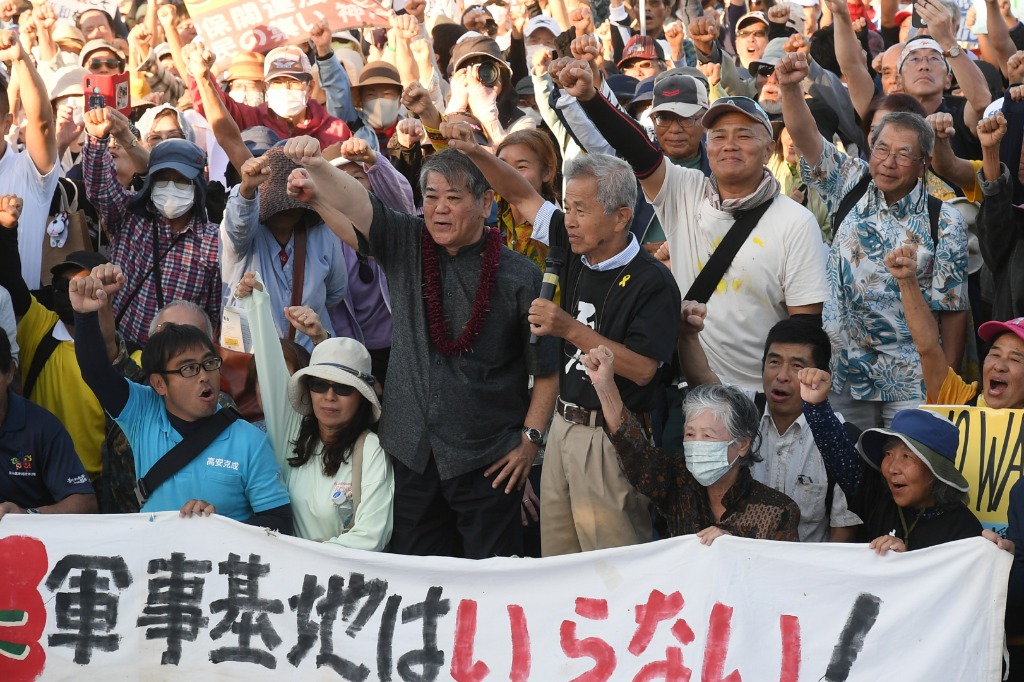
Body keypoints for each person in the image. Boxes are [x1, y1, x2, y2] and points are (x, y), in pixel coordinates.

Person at [281, 135, 559, 559]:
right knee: (417, 580)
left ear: (486, 204)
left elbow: (547, 371)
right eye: (430, 197)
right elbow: (358, 203)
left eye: (453, 197)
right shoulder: (409, 241)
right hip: (412, 454)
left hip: (486, 459)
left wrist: (529, 442)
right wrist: (319, 165)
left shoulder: (520, 275)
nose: (439, 208)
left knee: (490, 583)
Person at [445, 131, 681, 555]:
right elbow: (519, 193)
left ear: (621, 216)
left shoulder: (653, 281)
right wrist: (475, 152)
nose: (568, 220)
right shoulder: (571, 243)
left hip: (613, 437)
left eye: (581, 211)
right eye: (567, 208)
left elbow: (645, 368)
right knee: (557, 560)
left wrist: (569, 329)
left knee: (612, 566)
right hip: (563, 429)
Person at [564, 47, 827, 390]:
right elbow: (638, 149)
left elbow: (804, 328)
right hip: (692, 393)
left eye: (744, 135)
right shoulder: (684, 191)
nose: (729, 144)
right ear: (709, 145)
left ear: (768, 150)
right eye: (718, 136)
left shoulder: (796, 222)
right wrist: (590, 96)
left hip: (764, 396)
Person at [778, 50, 968, 427]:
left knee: (908, 473)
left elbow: (954, 309)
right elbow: (806, 136)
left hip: (912, 382)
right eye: (881, 148)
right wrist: (789, 87)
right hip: (842, 374)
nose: (888, 161)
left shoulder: (945, 220)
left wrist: (947, 390)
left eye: (903, 154)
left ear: (924, 163)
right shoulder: (849, 180)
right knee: (848, 473)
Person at [71, 268, 293, 530]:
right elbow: (96, 373)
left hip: (220, 567)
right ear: (159, 384)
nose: (204, 377)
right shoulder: (143, 412)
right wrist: (85, 316)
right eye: (188, 369)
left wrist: (220, 526)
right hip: (154, 565)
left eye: (209, 363)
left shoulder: (250, 442)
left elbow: (280, 522)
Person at [237, 271, 393, 550]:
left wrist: (305, 557)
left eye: (344, 388)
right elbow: (271, 372)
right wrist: (257, 301)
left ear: (361, 398)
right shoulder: (293, 433)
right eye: (320, 385)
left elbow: (371, 536)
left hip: (338, 581)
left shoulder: (371, 449)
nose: (329, 396)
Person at [678, 307, 861, 542]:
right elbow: (703, 380)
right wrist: (687, 335)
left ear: (822, 375)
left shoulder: (843, 441)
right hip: (738, 565)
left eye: (797, 366)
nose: (782, 375)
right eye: (774, 362)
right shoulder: (741, 412)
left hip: (802, 572)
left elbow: (841, 539)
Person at [585, 349, 800, 543]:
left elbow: (779, 575)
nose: (697, 443)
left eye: (707, 435)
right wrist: (605, 386)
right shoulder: (678, 482)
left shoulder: (778, 511)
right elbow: (634, 450)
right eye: (690, 434)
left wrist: (735, 546)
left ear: (742, 444)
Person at [83, 108, 220, 347]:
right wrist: (97, 139)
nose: (170, 187)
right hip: (121, 350)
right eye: (163, 180)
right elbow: (99, 189)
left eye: (180, 181)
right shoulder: (130, 216)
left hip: (174, 362)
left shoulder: (212, 241)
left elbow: (215, 312)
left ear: (197, 186)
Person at [799, 374, 982, 552]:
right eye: (888, 453)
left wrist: (905, 558)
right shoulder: (878, 498)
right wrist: (817, 405)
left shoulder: (965, 532)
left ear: (936, 470)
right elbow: (837, 451)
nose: (892, 468)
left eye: (906, 457)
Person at [220, 147, 347, 352]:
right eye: (279, 204)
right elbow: (238, 224)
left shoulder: (321, 232)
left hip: (308, 356)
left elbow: (335, 290)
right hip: (250, 360)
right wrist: (246, 189)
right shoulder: (241, 231)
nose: (286, 209)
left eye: (292, 202)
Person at [0, 327, 98, 519]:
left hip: (28, 544)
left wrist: (25, 515)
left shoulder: (43, 428)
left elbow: (85, 503)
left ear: (11, 373)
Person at [0, 28, 59, 292]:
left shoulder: (29, 173)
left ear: (6, 123)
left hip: (23, 326)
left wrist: (20, 59)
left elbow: (42, 123)